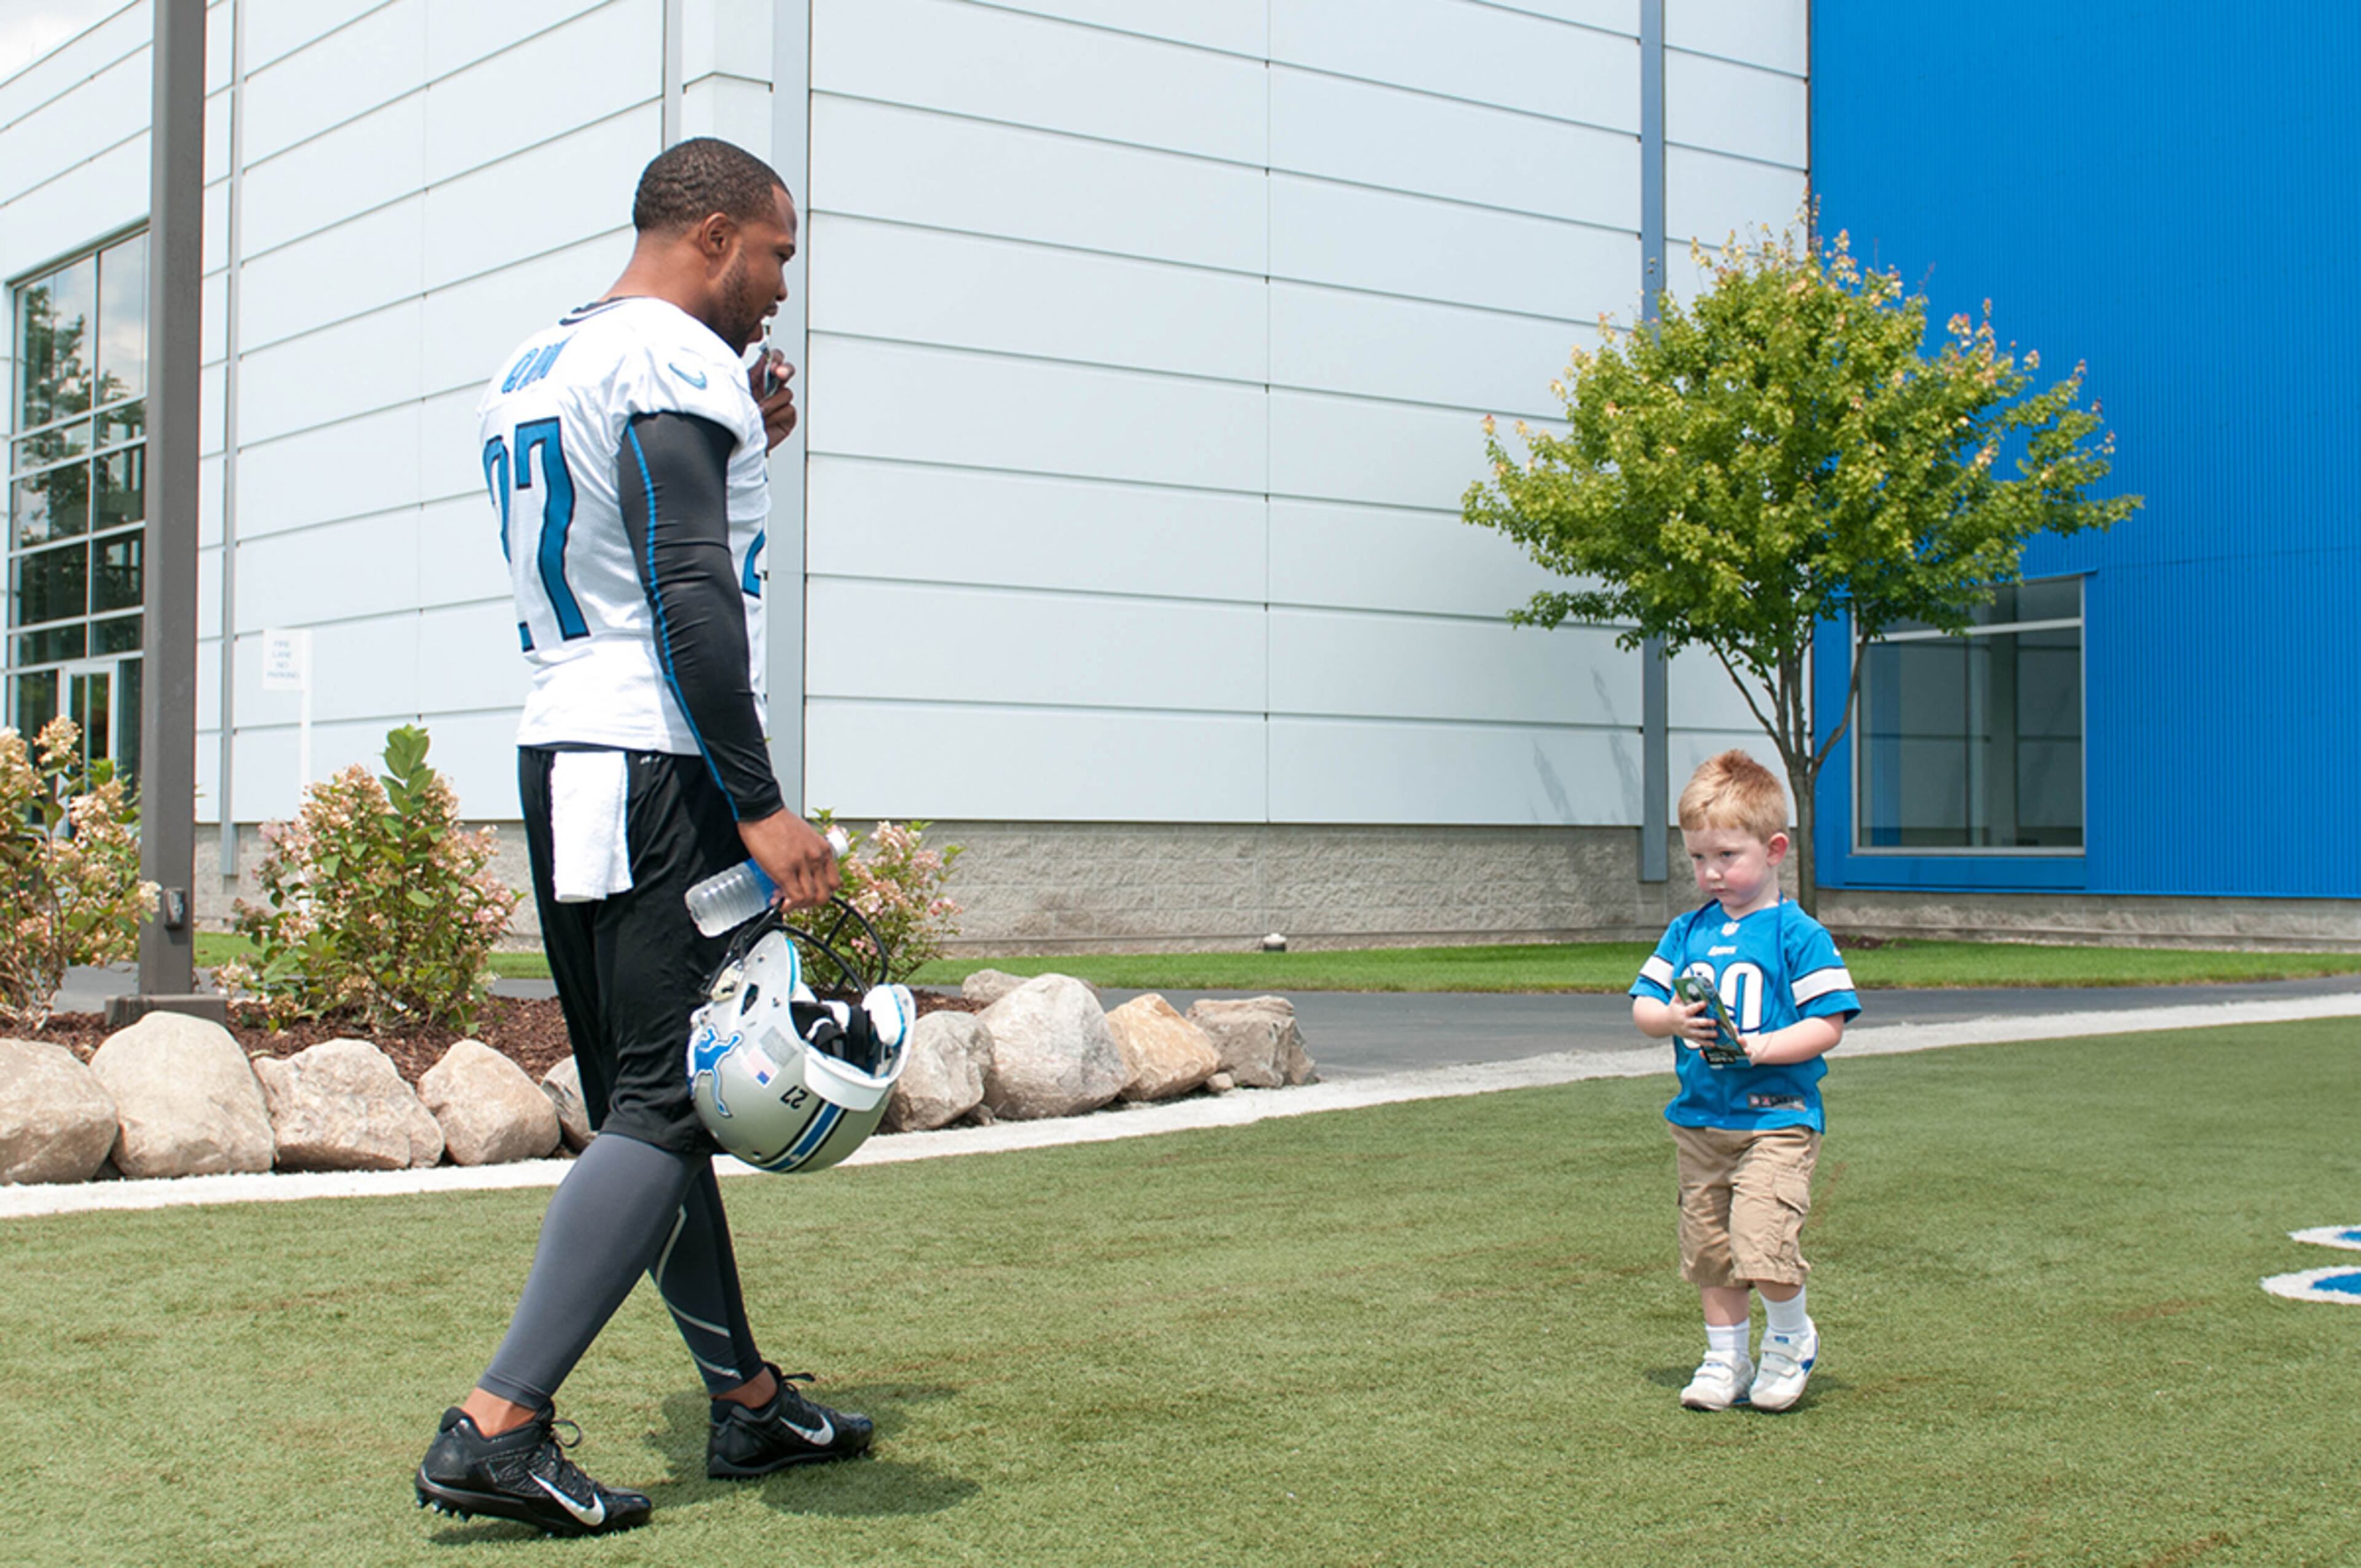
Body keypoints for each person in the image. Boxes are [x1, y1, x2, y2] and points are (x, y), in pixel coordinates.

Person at [414, 138, 866, 1537]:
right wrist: (758, 799)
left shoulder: (536, 359)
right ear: (716, 236)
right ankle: (498, 1422)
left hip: (564, 746)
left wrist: (745, 445)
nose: (781, 292)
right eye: (777, 258)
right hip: (658, 761)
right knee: (670, 1103)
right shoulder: (675, 356)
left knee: (647, 1103)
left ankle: (744, 1405)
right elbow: (682, 589)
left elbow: (637, 530)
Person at [1627, 750, 1859, 1414]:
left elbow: (1829, 1023)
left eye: (1727, 856)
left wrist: (1762, 1048)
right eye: (1698, 859)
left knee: (1763, 1242)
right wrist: (1671, 1018)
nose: (1710, 873)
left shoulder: (1798, 933)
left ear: (1775, 848)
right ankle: (1725, 1357)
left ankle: (1791, 1341)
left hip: (1776, 1119)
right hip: (1701, 1121)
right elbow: (1643, 1006)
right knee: (1709, 1251)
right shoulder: (1687, 930)